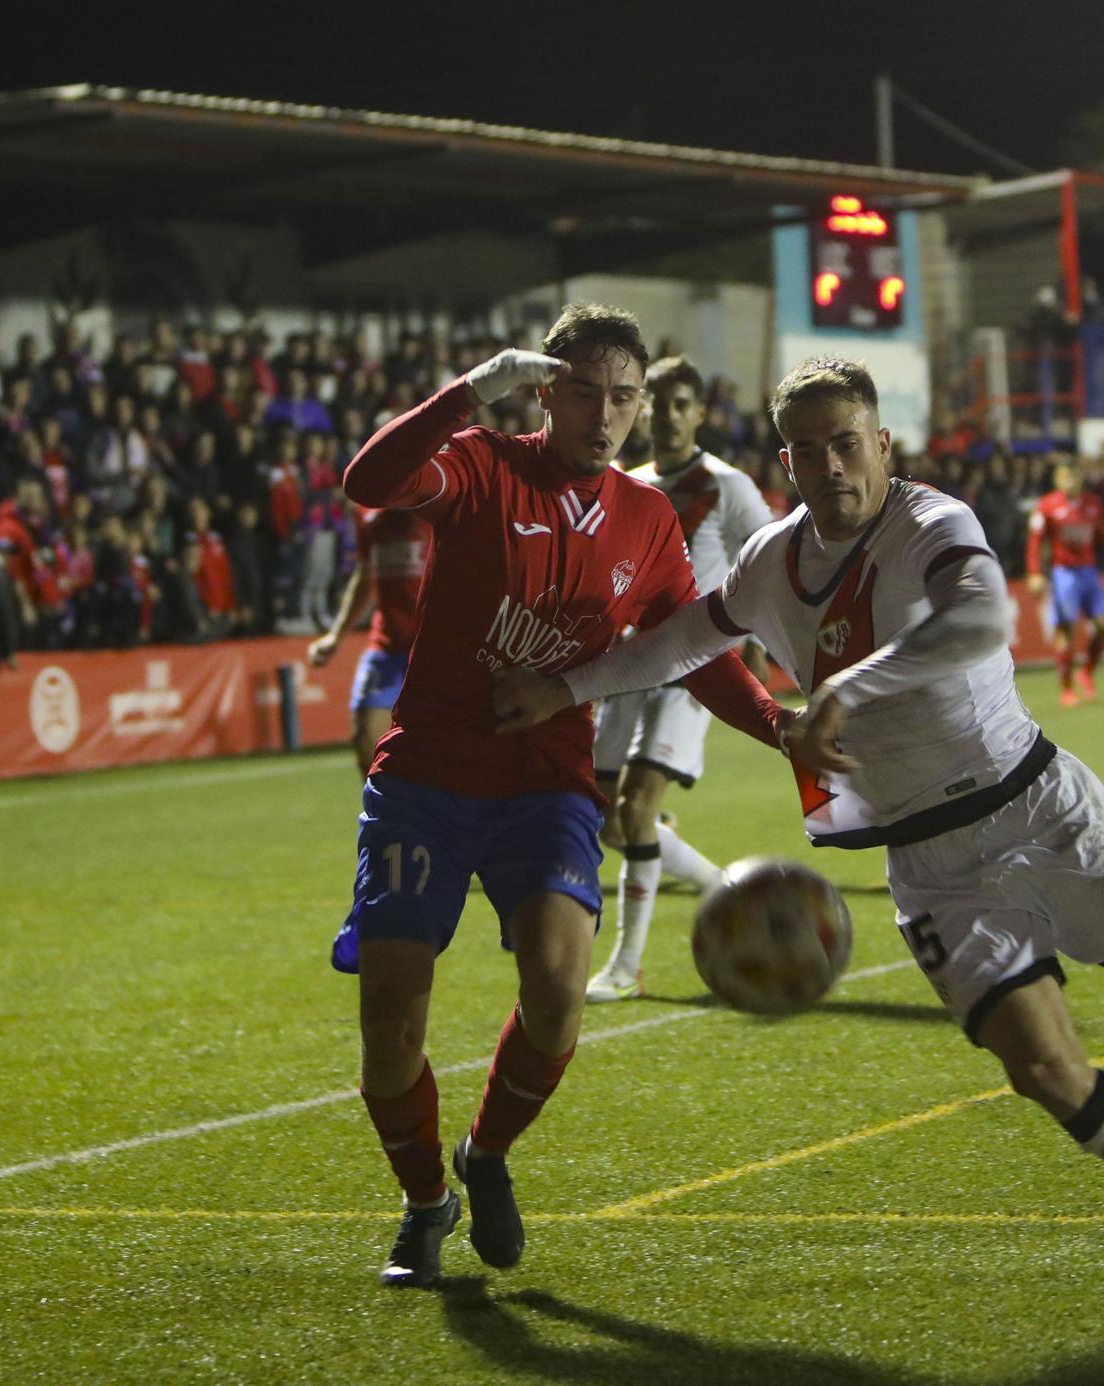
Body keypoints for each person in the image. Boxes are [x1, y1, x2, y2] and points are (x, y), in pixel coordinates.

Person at [495, 357, 1104, 1298]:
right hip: (930, 860)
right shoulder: (770, 562)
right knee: (1043, 1070)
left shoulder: (932, 522)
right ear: (786, 462)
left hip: (1040, 811)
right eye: (808, 451)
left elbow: (982, 618)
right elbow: (682, 640)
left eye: (846, 444)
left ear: (880, 443)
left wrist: (848, 687)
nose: (831, 466)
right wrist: (564, 687)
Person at [333, 303, 785, 1291]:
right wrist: (461, 392)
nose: (607, 413)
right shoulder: (483, 464)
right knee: (389, 1027)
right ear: (544, 391)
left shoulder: (646, 515)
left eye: (623, 396)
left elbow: (693, 649)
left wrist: (779, 728)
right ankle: (422, 1206)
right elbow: (365, 481)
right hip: (423, 783)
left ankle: (484, 1154)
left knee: (554, 995)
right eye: (584, 390)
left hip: (544, 787)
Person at [585, 355, 777, 1003]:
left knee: (637, 809)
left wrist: (755, 650)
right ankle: (723, 883)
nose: (665, 415)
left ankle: (625, 967)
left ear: (699, 413)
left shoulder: (729, 487)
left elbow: (769, 569)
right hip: (626, 666)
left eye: (679, 404)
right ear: (638, 410)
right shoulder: (624, 485)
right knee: (609, 821)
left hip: (693, 664)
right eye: (655, 403)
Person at [307, 502, 432, 775]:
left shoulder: (438, 502)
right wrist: (335, 636)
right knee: (366, 740)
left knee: (442, 750)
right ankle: (383, 815)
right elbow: (366, 575)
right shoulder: (366, 511)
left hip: (433, 650)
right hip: (386, 645)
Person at [1026, 461, 1104, 706]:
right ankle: (1067, 689)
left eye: (1073, 476)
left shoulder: (1091, 503)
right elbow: (1035, 541)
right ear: (1058, 481)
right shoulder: (1047, 506)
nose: (1069, 481)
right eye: (1064, 477)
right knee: (1067, 629)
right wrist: (1035, 571)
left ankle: (1087, 671)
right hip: (1063, 574)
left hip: (1088, 572)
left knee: (1103, 625)